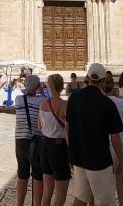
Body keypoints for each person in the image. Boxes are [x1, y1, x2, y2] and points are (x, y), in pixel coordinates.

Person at [66, 63, 123, 206]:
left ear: (87, 77)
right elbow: (115, 137)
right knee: (105, 203)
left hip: (79, 158)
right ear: (103, 81)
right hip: (99, 161)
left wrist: (71, 153)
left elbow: (67, 128)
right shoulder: (107, 103)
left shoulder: (73, 99)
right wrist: (121, 161)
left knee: (80, 199)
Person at [39, 74, 71, 206]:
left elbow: (39, 127)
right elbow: (68, 130)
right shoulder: (64, 105)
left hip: (44, 146)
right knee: (60, 195)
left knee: (47, 191)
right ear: (62, 86)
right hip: (59, 148)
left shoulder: (43, 103)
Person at [15, 75, 44, 206]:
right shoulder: (41, 101)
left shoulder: (18, 100)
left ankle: (19, 204)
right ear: (38, 86)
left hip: (20, 140)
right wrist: (42, 92)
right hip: (36, 140)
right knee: (38, 175)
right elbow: (48, 104)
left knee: (22, 174)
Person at [105, 76, 123, 206]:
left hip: (104, 151)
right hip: (121, 148)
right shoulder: (121, 103)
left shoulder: (99, 103)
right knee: (122, 191)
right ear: (113, 87)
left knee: (105, 193)